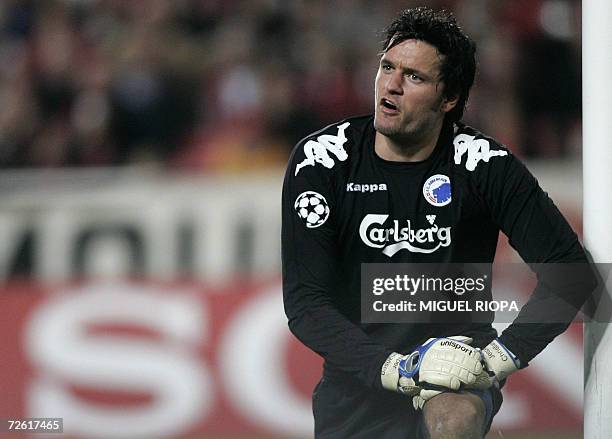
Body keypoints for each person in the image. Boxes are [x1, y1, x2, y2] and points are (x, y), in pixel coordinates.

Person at [281, 7, 595, 439]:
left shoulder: (483, 164)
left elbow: (570, 272)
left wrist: (496, 360)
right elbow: (306, 304)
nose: (390, 85)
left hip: (458, 370)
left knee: (452, 421)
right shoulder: (323, 161)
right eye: (387, 67)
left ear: (448, 99)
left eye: (414, 77)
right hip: (359, 378)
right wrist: (397, 369)